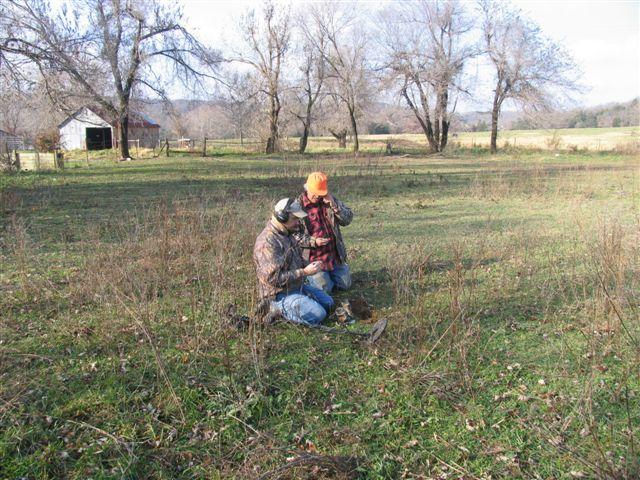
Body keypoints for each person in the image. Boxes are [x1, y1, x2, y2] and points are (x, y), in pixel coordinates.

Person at [253, 197, 334, 325]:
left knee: (329, 303)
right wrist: (304, 272)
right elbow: (273, 279)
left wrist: (310, 265)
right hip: (278, 294)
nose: (298, 222)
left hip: (296, 286)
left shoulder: (287, 233)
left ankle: (296, 302)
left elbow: (295, 259)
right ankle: (275, 308)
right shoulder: (267, 243)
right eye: (294, 219)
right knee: (319, 314)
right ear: (281, 217)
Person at [296, 172, 353, 294]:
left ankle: (330, 275)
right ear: (307, 188)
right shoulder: (297, 207)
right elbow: (293, 236)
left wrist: (335, 206)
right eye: (315, 193)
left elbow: (347, 220)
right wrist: (313, 241)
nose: (318, 196)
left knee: (345, 285)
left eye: (320, 193)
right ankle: (309, 277)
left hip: (334, 256)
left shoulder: (329, 200)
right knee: (325, 290)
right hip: (314, 259)